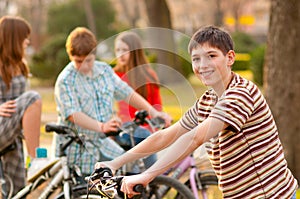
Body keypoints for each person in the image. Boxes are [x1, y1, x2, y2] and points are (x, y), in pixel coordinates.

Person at [95, 25, 298, 199]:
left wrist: (145, 176)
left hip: (270, 194)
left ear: (230, 58)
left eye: (211, 56)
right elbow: (168, 135)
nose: (203, 65)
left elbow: (195, 138)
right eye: (196, 59)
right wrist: (115, 163)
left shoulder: (240, 95)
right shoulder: (208, 100)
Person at [54, 27, 172, 176]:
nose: (84, 66)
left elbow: (127, 93)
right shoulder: (65, 80)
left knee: (132, 174)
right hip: (79, 147)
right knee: (88, 188)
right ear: (70, 57)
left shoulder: (104, 71)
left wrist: (154, 113)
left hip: (103, 143)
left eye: (88, 60)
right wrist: (102, 126)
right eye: (78, 61)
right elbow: (73, 114)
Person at [0, 15, 42, 194]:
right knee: (32, 97)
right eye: (25, 37)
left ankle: (34, 162)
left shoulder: (21, 66)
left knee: (17, 191)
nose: (27, 41)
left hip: (12, 134)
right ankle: (36, 160)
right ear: (13, 38)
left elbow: (27, 113)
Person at [113, 31, 163, 168]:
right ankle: (151, 177)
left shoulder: (148, 75)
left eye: (125, 50)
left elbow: (156, 106)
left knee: (146, 137)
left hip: (145, 128)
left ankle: (153, 181)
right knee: (143, 136)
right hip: (122, 129)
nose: (120, 54)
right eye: (117, 50)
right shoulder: (114, 76)